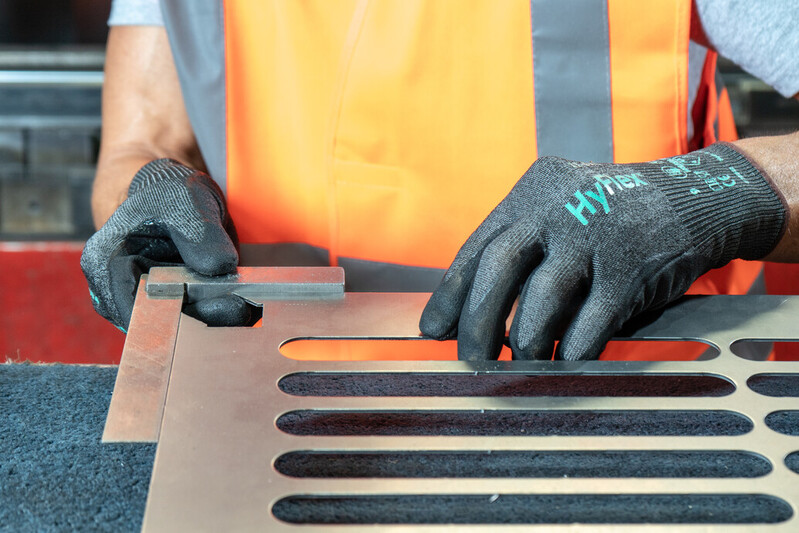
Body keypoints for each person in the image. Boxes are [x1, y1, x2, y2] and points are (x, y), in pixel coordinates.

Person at [81, 0, 799, 361]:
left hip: (625, 407)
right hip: (273, 413)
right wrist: (149, 194)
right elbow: (143, 140)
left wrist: (704, 198)